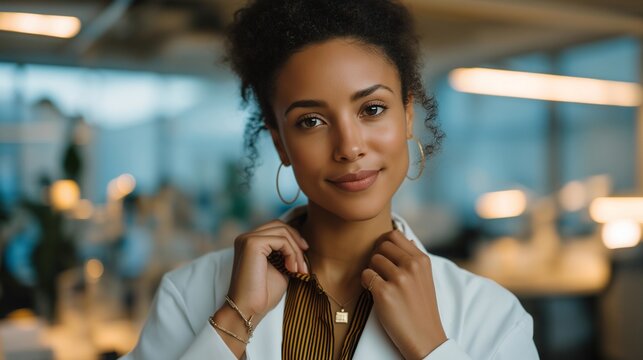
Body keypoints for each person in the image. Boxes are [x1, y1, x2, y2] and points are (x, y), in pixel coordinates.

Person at [122, 0, 539, 359]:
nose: (349, 146)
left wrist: (431, 348)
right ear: (281, 143)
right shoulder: (191, 294)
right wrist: (235, 320)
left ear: (408, 116)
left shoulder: (493, 315)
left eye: (372, 109)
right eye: (312, 121)